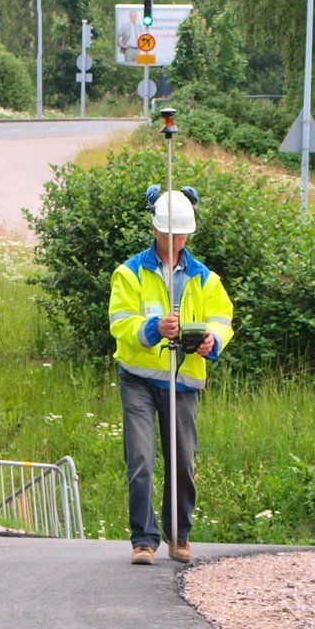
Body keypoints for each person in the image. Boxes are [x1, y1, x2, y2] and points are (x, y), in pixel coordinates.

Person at [107, 186, 234, 565]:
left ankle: (179, 535)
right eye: (168, 234)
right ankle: (143, 540)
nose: (175, 241)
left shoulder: (205, 279)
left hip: (184, 379)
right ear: (155, 230)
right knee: (142, 459)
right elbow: (120, 323)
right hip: (140, 380)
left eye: (182, 235)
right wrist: (152, 328)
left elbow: (222, 319)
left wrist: (212, 339)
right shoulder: (129, 274)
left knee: (182, 460)